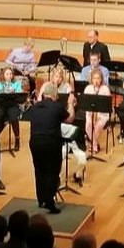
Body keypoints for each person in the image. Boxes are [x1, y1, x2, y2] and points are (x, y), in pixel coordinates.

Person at [22, 81, 76, 214]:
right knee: (52, 171)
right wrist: (70, 104)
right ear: (54, 95)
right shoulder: (57, 106)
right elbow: (69, 119)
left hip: (35, 142)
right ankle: (49, 201)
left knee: (39, 170)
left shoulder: (35, 107)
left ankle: (41, 199)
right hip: (51, 143)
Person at [0, 66, 24, 151]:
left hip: (12, 105)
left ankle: (17, 139)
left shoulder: (17, 84)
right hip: (1, 105)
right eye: (7, 74)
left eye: (11, 74)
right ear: (3, 75)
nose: (9, 76)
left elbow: (20, 94)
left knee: (14, 118)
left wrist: (15, 91)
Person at [83, 68, 112, 155]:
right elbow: (85, 102)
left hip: (102, 114)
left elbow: (107, 105)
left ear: (101, 79)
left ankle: (94, 146)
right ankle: (95, 143)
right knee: (88, 125)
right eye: (94, 78)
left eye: (98, 78)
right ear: (91, 79)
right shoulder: (88, 88)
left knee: (97, 126)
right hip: (90, 113)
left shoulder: (105, 89)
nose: (96, 80)